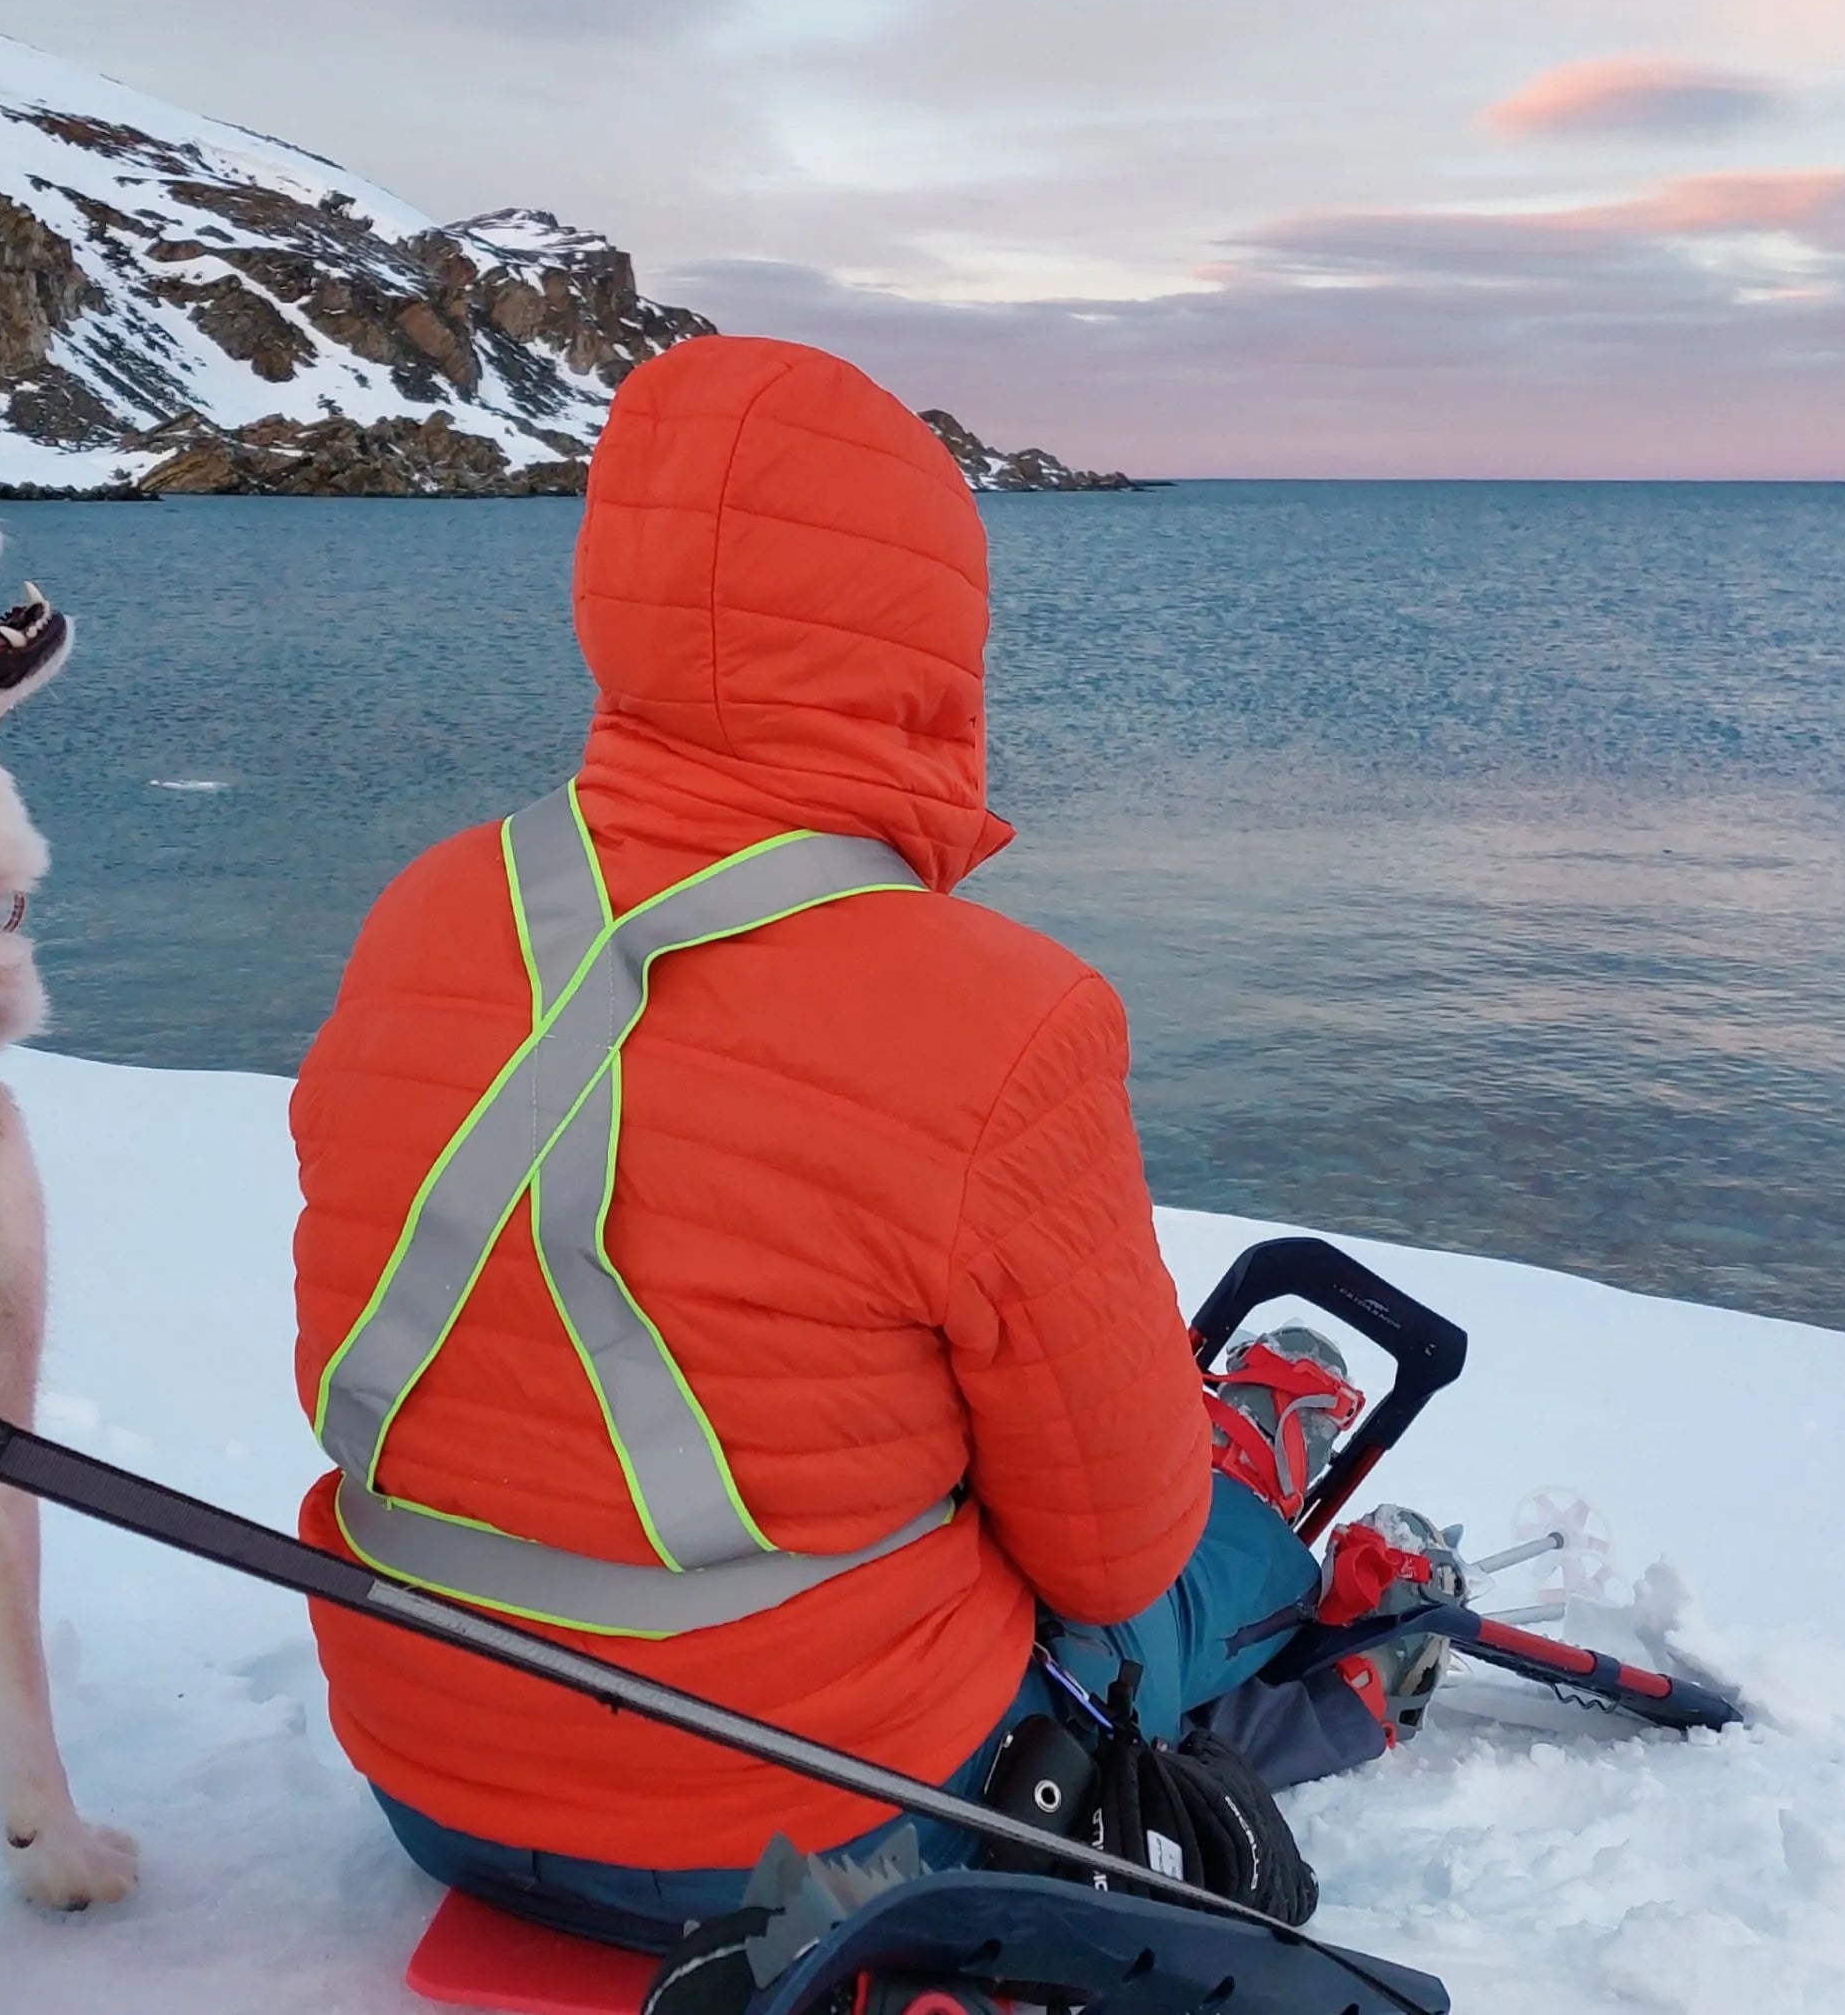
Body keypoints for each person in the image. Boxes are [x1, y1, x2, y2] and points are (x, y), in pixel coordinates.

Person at [288, 336, 1322, 1952]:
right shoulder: (1009, 1014)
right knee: (1211, 1553)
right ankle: (1302, 1513)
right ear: (929, 643)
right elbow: (1110, 1552)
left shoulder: (424, 909)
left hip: (429, 1779)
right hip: (815, 1833)